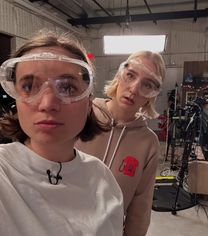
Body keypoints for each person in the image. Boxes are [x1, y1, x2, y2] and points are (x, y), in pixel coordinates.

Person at [0, 29, 123, 236]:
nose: (47, 104)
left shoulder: (102, 179)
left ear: (88, 101)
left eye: (67, 88)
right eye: (29, 86)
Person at [76, 51, 166, 235]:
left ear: (152, 94)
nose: (133, 89)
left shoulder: (148, 143)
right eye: (130, 76)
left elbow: (140, 210)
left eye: (147, 84)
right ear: (119, 75)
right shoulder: (83, 113)